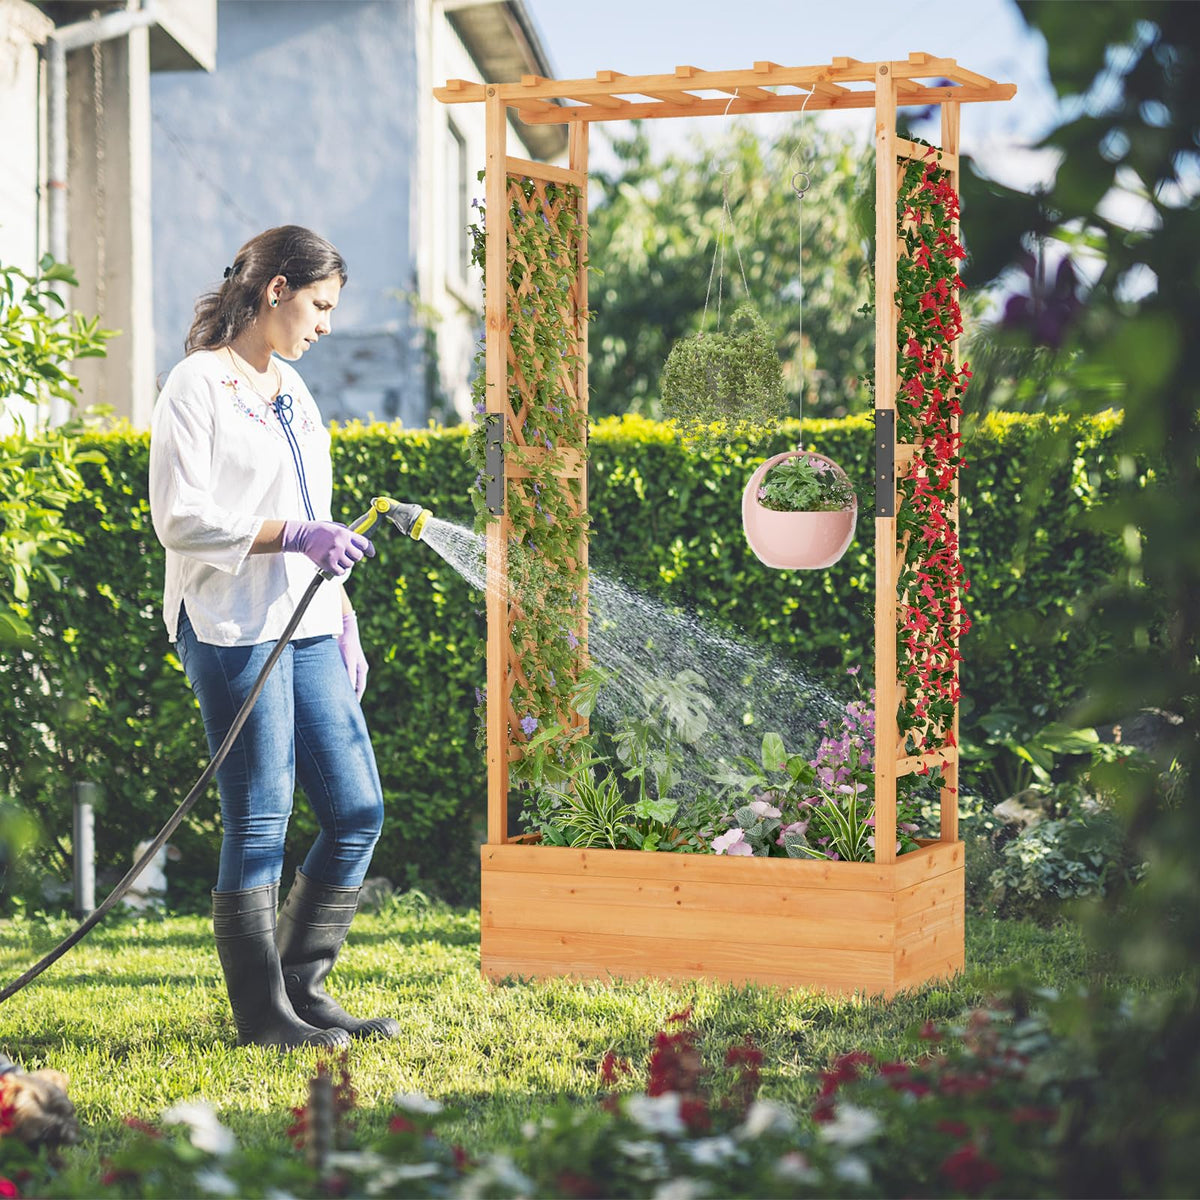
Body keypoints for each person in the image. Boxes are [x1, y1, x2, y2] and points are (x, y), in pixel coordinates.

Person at [149, 226, 398, 1049]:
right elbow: (179, 520)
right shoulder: (196, 385)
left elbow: (316, 514)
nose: (326, 325)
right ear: (277, 290)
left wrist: (345, 615)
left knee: (357, 808)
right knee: (259, 818)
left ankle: (302, 988)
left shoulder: (294, 389)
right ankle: (262, 1018)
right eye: (320, 306)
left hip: (309, 621)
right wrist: (294, 537)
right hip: (229, 624)